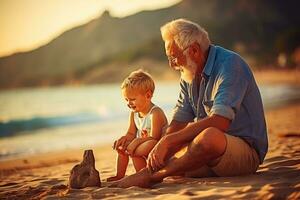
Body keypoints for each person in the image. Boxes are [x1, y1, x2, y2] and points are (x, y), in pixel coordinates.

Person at [109, 18, 268, 188]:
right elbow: (178, 121)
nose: (171, 65)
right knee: (165, 133)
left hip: (244, 153)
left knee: (209, 136)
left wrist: (168, 142)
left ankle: (155, 176)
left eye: (173, 58)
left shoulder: (230, 65)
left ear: (194, 51)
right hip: (206, 155)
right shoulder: (189, 74)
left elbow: (220, 121)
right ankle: (153, 171)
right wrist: (162, 145)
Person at [107, 69, 168, 182]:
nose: (129, 103)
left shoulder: (155, 113)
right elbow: (131, 133)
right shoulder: (134, 114)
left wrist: (135, 142)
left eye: (132, 99)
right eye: (126, 100)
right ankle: (122, 175)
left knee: (145, 145)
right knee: (124, 147)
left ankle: (146, 173)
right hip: (141, 147)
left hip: (157, 149)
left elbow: (155, 138)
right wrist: (124, 139)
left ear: (148, 95)